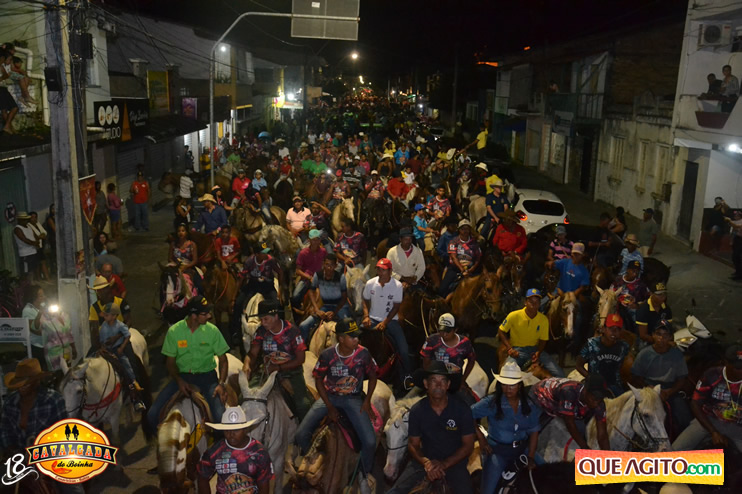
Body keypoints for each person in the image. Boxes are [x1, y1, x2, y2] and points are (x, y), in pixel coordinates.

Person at [296, 318, 377, 494]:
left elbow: (373, 376)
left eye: (357, 336)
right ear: (341, 338)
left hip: (353, 399)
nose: (356, 340)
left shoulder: (363, 354)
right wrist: (329, 406)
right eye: (352, 337)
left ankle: (364, 474)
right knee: (300, 434)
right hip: (330, 397)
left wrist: (367, 400)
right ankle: (314, 458)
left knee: (370, 442)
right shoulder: (327, 355)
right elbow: (318, 379)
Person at [146, 296, 229, 436]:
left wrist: (221, 384)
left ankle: (219, 446)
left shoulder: (213, 331)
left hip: (207, 378)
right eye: (205, 313)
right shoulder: (174, 332)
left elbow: (223, 360)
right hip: (183, 376)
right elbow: (170, 363)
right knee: (152, 415)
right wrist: (179, 380)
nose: (209, 316)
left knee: (220, 418)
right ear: (194, 316)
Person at [387, 361, 475, 494]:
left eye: (443, 381)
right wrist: (426, 462)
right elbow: (413, 444)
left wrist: (444, 464)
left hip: (454, 463)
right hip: (424, 462)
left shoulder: (462, 410)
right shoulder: (417, 411)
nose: (438, 385)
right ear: (426, 384)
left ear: (448, 385)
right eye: (433, 380)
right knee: (394, 492)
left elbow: (468, 446)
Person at [0, 359, 84, 494]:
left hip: (50, 455)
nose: (21, 387)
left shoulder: (53, 400)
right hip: (18, 455)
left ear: (37, 382)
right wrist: (11, 449)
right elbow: (5, 430)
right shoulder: (10, 402)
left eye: (26, 383)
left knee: (72, 488)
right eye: (19, 383)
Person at [472, 360, 542, 493]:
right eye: (504, 384)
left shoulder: (529, 404)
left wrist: (531, 456)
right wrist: (481, 438)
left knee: (548, 473)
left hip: (522, 449)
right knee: (488, 490)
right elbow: (467, 414)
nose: (507, 389)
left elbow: (534, 431)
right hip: (499, 451)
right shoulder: (492, 402)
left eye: (512, 385)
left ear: (519, 385)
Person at [243, 300, 311, 421]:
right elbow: (253, 353)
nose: (263, 323)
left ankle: (307, 429)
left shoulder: (292, 331)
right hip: (267, 371)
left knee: (303, 405)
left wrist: (278, 368)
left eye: (266, 319)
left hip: (291, 372)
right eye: (261, 319)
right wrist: (247, 363)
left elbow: (301, 359)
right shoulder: (261, 332)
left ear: (275, 316)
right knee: (244, 397)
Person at [672, 344, 742, 452]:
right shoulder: (712, 375)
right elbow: (695, 403)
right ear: (726, 363)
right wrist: (713, 431)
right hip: (708, 420)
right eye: (738, 368)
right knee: (674, 451)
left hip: (737, 427)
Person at [631, 321, 691, 436]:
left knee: (684, 418)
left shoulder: (677, 355)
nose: (661, 338)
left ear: (670, 337)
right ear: (653, 335)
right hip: (648, 388)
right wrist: (649, 388)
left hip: (670, 389)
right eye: (658, 334)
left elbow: (681, 379)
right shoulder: (644, 354)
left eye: (665, 335)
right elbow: (635, 376)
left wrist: (669, 392)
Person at [198, 407, 274, 494]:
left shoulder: (260, 453)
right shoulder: (214, 451)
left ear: (245, 429)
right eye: (227, 430)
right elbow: (202, 478)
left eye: (236, 430)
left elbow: (264, 486)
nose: (231, 434)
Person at [362, 258, 412, 389]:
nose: (380, 272)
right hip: (373, 319)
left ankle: (406, 377)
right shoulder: (370, 283)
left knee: (403, 349)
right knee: (355, 340)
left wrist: (385, 322)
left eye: (383, 270)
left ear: (390, 271)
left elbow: (396, 307)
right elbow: (365, 300)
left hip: (391, 321)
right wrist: (366, 316)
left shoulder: (397, 285)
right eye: (378, 269)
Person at [530, 374, 611, 451]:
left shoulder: (599, 404)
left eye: (600, 399)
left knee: (581, 430)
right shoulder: (569, 392)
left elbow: (602, 435)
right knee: (534, 430)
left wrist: (609, 456)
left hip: (564, 403)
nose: (596, 403)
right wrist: (585, 449)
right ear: (585, 391)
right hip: (540, 397)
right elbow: (570, 423)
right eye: (594, 399)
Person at [498, 289, 564, 377]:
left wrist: (538, 352)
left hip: (535, 349)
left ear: (539, 304)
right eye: (531, 301)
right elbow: (501, 330)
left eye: (536, 302)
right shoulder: (513, 315)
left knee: (559, 373)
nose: (534, 304)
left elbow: (543, 340)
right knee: (507, 372)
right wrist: (509, 348)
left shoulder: (543, 319)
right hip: (518, 350)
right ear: (525, 302)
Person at [98, 302, 146, 412]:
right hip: (108, 349)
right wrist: (103, 348)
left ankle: (134, 388)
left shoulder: (120, 325)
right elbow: (102, 341)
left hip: (118, 348)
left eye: (107, 315)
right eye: (105, 315)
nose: (105, 317)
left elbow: (127, 335)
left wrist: (121, 348)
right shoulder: (103, 327)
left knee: (127, 364)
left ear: (114, 316)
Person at [420, 313, 477, 404]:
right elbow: (426, 362)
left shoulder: (465, 342)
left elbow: (472, 360)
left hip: (455, 380)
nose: (444, 334)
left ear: (455, 330)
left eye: (448, 331)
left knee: (470, 402)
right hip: (436, 379)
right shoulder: (431, 340)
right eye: (442, 331)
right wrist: (430, 380)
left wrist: (462, 380)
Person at [545, 242, 590, 351]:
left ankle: (574, 341)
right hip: (559, 291)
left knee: (578, 317)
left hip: (573, 296)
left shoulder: (584, 271)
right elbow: (553, 264)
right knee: (543, 304)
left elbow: (583, 287)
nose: (575, 256)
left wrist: (572, 295)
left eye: (578, 254)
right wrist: (550, 263)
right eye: (574, 254)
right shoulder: (565, 262)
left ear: (582, 256)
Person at [298, 254, 351, 342]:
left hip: (340, 307)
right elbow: (311, 291)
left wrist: (335, 312)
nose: (329, 268)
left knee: (349, 327)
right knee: (303, 325)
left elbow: (344, 297)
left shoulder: (340, 277)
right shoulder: (317, 275)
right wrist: (317, 310)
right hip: (325, 306)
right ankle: (303, 346)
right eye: (327, 264)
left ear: (335, 266)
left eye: (332, 265)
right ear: (323, 264)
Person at [23, 285, 76, 372]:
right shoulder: (28, 310)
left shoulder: (46, 309)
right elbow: (35, 330)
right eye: (41, 296)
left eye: (44, 295)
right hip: (38, 347)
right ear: (33, 297)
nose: (44, 297)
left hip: (54, 347)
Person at [576, 314, 630, 397]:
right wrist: (590, 378)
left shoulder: (624, 346)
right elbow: (578, 365)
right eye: (611, 329)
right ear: (603, 329)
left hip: (615, 385)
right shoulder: (591, 344)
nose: (614, 332)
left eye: (618, 329)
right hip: (595, 386)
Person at [439, 219, 482, 296]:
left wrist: (472, 269)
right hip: (456, 268)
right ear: (459, 230)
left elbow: (478, 258)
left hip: (471, 269)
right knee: (442, 290)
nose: (465, 231)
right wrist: (462, 270)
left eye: (467, 229)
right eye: (463, 229)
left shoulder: (474, 243)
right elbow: (453, 257)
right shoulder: (453, 242)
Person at [610, 260, 649, 334]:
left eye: (637, 271)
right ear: (628, 270)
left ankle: (637, 337)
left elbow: (648, 299)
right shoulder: (618, 280)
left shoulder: (641, 285)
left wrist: (638, 305)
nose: (635, 273)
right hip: (616, 306)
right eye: (633, 270)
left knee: (636, 319)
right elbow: (610, 294)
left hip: (632, 309)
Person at [636, 281, 672, 346]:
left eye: (664, 294)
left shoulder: (666, 308)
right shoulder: (643, 309)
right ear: (651, 294)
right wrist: (660, 342)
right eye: (659, 294)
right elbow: (643, 335)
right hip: (648, 340)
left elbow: (669, 328)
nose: (663, 297)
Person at [13, 211, 39, 282]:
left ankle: (31, 284)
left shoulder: (28, 227)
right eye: (24, 220)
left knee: (32, 270)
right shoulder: (17, 229)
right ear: (19, 220)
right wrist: (34, 243)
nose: (26, 221)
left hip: (33, 252)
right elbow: (24, 239)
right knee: (26, 271)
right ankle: (26, 286)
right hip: (25, 254)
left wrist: (36, 242)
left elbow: (34, 236)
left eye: (26, 219)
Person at [28, 211, 51, 282]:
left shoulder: (38, 224)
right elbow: (34, 236)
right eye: (32, 217)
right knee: (37, 263)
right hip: (34, 247)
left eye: (35, 217)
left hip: (40, 246)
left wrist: (41, 236)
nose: (34, 219)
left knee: (42, 262)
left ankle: (46, 278)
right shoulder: (28, 226)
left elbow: (44, 233)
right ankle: (39, 278)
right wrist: (40, 236)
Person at [726, 209, 742, 281]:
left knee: (737, 256)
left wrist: (729, 220)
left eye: (737, 215)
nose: (735, 216)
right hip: (737, 239)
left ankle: (739, 275)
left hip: (741, 240)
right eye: (735, 215)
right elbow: (732, 225)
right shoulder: (736, 221)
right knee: (735, 257)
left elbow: (736, 225)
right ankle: (737, 272)